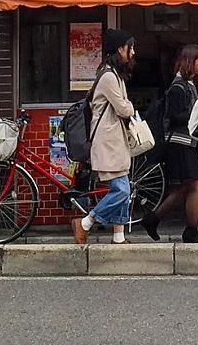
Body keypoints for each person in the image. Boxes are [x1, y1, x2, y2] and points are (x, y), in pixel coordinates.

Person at [72, 28, 136, 245]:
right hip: (108, 142)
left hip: (115, 142)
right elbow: (124, 109)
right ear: (120, 49)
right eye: (130, 47)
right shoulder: (108, 76)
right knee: (121, 190)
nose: (133, 52)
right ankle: (86, 222)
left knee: (123, 189)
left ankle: (118, 236)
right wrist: (130, 106)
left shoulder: (113, 74)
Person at [141, 44, 198, 243]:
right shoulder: (179, 87)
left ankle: (154, 218)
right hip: (181, 142)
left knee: (186, 187)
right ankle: (191, 230)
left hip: (187, 143)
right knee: (195, 185)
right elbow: (174, 116)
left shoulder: (187, 85)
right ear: (190, 62)